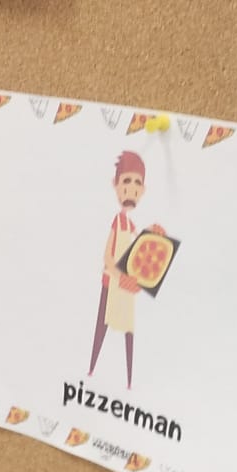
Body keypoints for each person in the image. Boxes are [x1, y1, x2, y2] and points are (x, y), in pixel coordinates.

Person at [86, 149, 163, 389]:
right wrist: (120, 277)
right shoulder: (117, 221)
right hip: (111, 283)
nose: (131, 190)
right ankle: (91, 369)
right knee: (101, 327)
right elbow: (108, 258)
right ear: (116, 185)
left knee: (129, 332)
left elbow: (138, 249)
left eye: (137, 184)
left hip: (126, 286)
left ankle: (129, 383)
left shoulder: (130, 224)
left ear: (143, 190)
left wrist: (152, 232)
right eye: (126, 182)